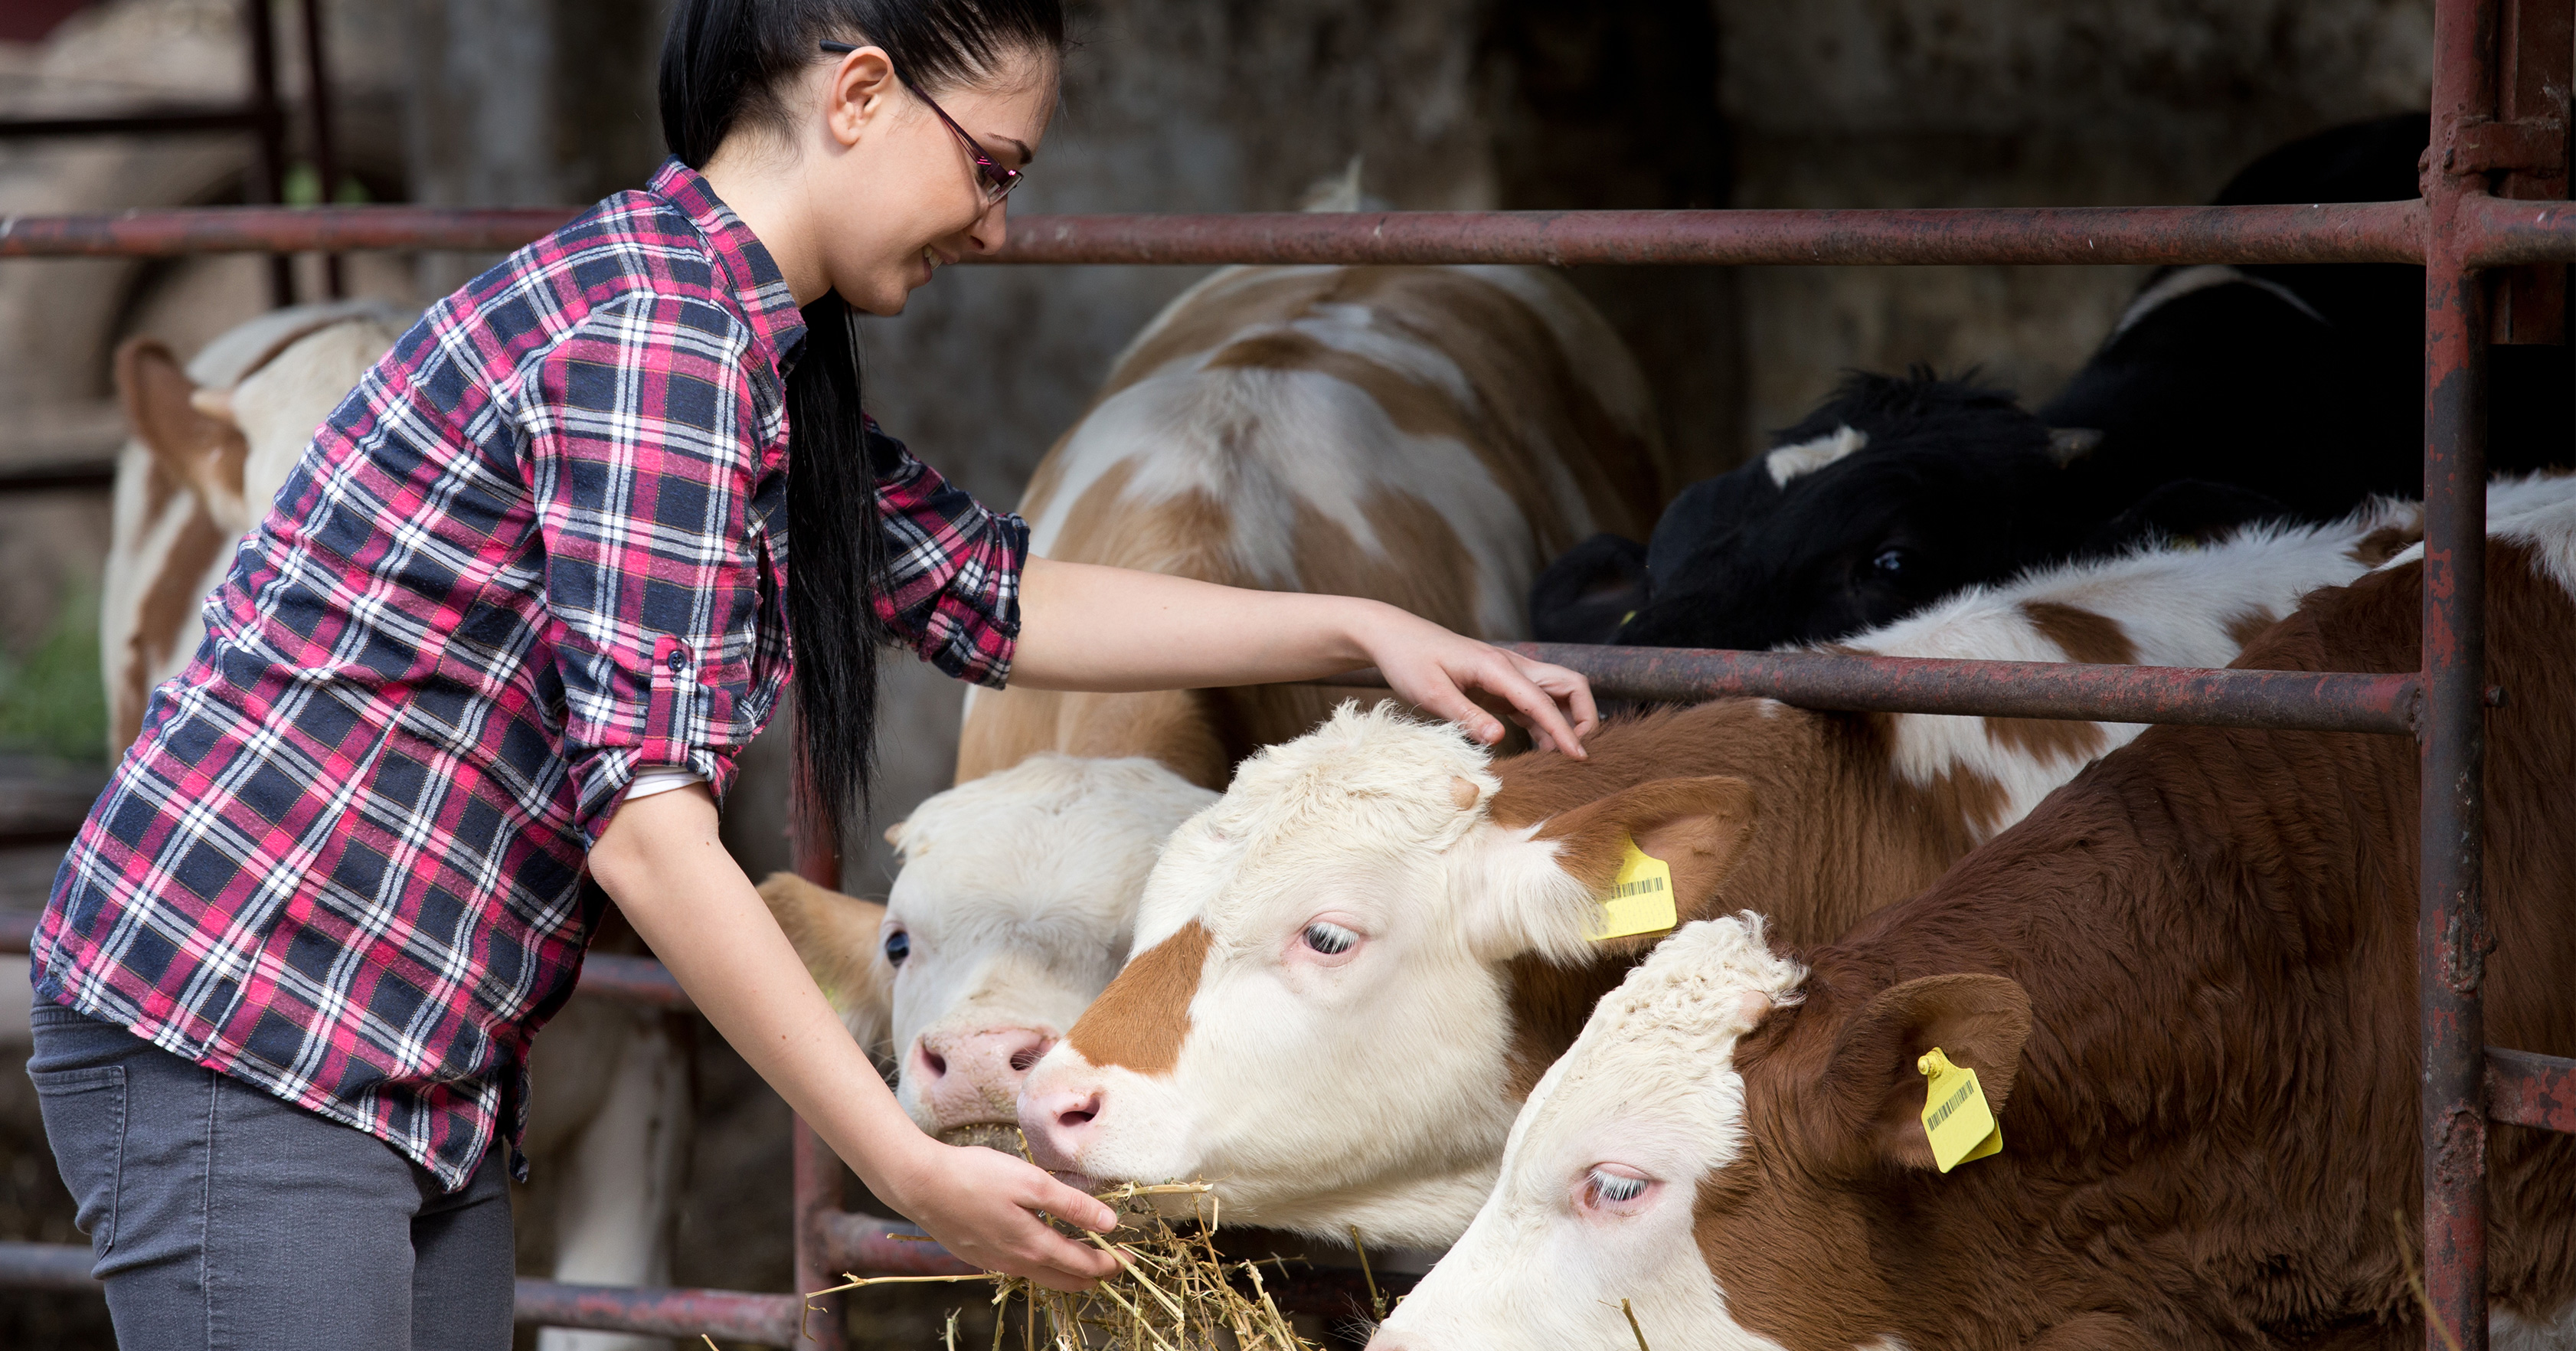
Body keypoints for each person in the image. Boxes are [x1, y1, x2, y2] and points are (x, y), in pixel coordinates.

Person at [26, 1, 1599, 1346]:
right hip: (244, 1036)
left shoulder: (728, 339)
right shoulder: (660, 343)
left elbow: (990, 596)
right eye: (987, 169)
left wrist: (1355, 631)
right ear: (857, 95)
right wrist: (901, 1169)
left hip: (400, 1060)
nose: (994, 225)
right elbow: (648, 831)